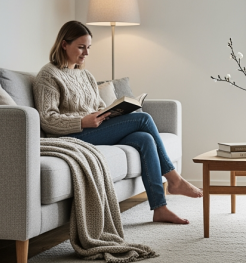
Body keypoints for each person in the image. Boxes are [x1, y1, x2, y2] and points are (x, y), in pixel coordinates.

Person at [34, 20, 202, 224]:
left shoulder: (85, 75)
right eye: (81, 47)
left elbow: (96, 105)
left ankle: (160, 207)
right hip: (70, 135)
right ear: (64, 44)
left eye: (88, 47)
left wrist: (107, 113)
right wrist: (82, 121)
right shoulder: (48, 75)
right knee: (143, 118)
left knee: (145, 138)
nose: (86, 53)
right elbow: (47, 119)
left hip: (93, 127)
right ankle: (175, 180)